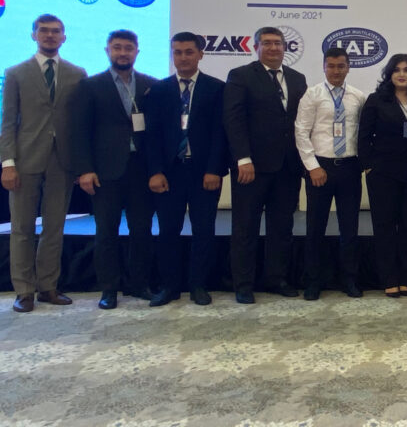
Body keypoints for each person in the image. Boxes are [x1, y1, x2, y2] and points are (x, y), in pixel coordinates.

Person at [1, 14, 86, 313]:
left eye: (56, 32)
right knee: (22, 228)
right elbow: (8, 122)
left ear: (64, 37)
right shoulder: (15, 73)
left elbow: (79, 123)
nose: (50, 36)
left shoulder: (78, 74)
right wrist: (7, 163)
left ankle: (48, 287)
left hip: (62, 161)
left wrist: (80, 162)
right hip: (24, 160)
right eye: (44, 31)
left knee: (54, 227)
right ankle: (23, 290)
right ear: (33, 35)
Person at [71, 29, 159, 310]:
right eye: (117, 47)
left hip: (141, 170)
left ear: (137, 52)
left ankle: (139, 284)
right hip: (104, 171)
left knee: (142, 230)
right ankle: (108, 289)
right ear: (107, 50)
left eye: (128, 48)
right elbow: (79, 131)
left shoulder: (150, 85)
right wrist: (84, 169)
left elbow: (157, 132)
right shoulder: (90, 86)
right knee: (106, 231)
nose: (123, 53)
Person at [223, 26, 307, 304]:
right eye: (267, 43)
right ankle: (244, 284)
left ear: (285, 48)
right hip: (252, 168)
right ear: (255, 47)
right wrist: (243, 159)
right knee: (245, 228)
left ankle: (276, 279)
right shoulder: (241, 76)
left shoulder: (297, 79)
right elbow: (234, 120)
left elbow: (301, 123)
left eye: (278, 44)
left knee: (281, 227)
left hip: (287, 167)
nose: (273, 48)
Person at [145, 31, 228, 307]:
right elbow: (152, 135)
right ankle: (169, 287)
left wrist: (215, 169)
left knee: (204, 229)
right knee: (169, 229)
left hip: (204, 171)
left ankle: (198, 285)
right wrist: (155, 171)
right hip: (169, 173)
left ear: (200, 54)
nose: (182, 57)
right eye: (177, 52)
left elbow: (220, 133)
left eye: (188, 52)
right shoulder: (158, 90)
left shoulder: (216, 88)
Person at [294, 47, 367, 300]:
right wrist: (312, 167)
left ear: (348, 68)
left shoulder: (358, 97)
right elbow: (301, 132)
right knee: (315, 228)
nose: (336, 71)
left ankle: (350, 280)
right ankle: (313, 281)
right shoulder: (312, 95)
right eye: (331, 66)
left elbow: (364, 133)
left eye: (341, 66)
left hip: (349, 168)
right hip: (320, 168)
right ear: (324, 67)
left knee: (350, 227)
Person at [358, 53, 407, 297]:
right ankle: (389, 278)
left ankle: (406, 278)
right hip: (383, 174)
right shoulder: (377, 100)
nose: (402, 74)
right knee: (384, 225)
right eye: (397, 69)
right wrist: (368, 167)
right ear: (389, 74)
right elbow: (364, 137)